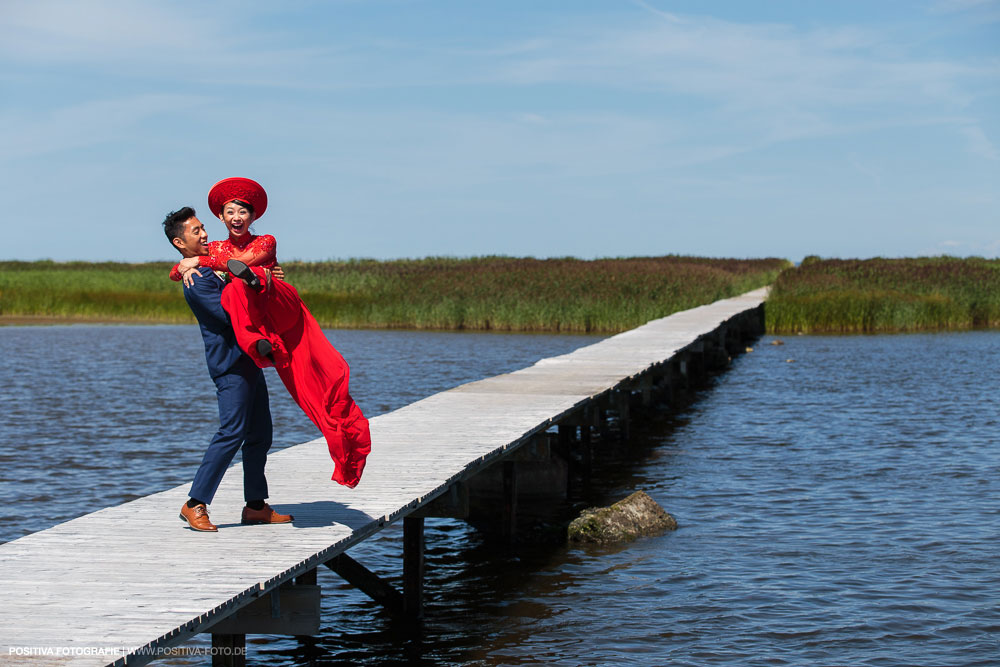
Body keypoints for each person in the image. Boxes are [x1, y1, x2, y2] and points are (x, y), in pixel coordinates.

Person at [170, 178, 371, 488]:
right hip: (242, 350)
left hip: (279, 309)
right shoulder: (204, 268)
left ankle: (255, 504)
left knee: (260, 434)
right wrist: (183, 266)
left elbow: (239, 262)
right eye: (229, 212)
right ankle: (202, 501)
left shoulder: (263, 242)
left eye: (243, 212)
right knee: (240, 430)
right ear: (222, 217)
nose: (235, 217)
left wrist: (196, 260)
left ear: (253, 217)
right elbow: (208, 290)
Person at [163, 206, 293, 532]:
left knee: (260, 435)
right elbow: (232, 316)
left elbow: (244, 277)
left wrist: (264, 277)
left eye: (203, 228)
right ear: (180, 244)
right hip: (229, 365)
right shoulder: (197, 282)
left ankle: (256, 506)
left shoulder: (210, 268)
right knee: (231, 431)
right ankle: (195, 503)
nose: (205, 234)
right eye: (196, 232)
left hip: (249, 361)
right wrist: (254, 281)